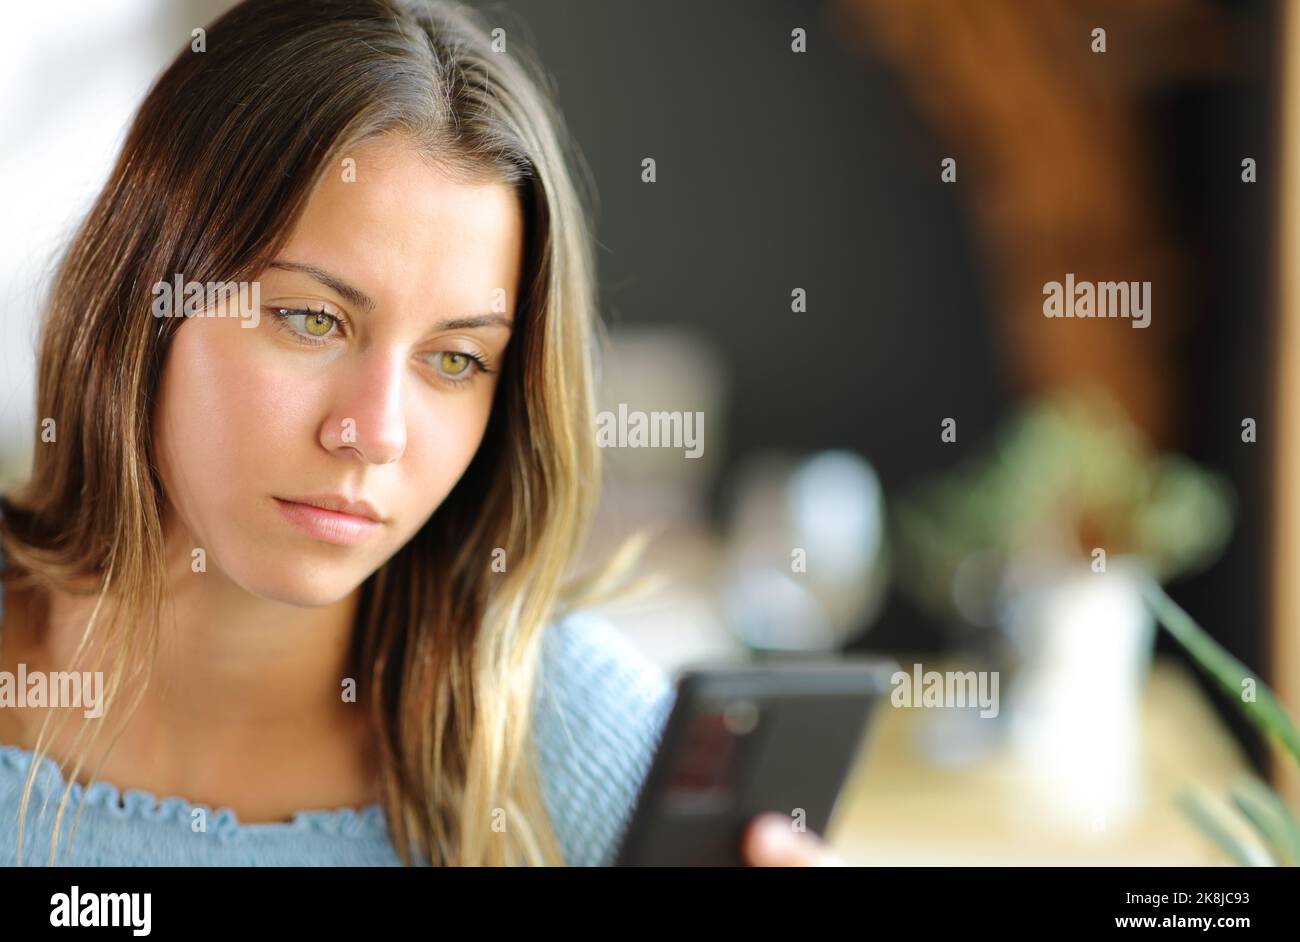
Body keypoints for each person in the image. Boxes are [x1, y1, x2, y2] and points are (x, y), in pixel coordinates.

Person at [0, 0, 838, 867]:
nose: (375, 433)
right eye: (310, 319)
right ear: (144, 298)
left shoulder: (559, 730)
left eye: (457, 360)